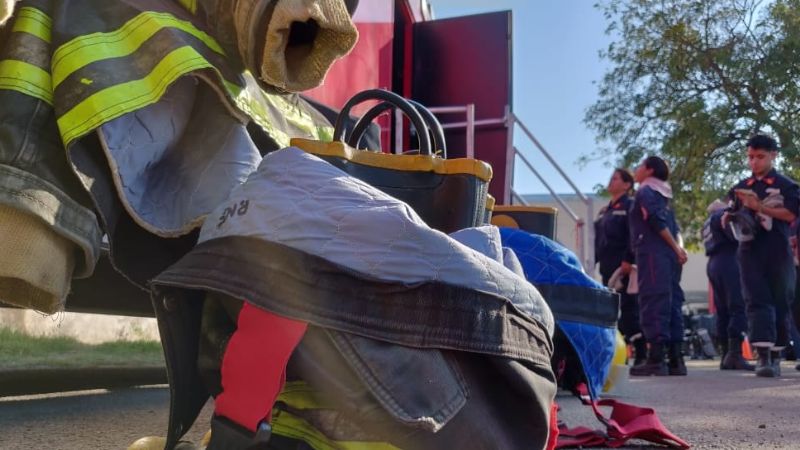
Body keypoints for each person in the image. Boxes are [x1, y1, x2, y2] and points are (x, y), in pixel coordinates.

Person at [725, 134, 799, 377]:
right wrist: (730, 215)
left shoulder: (787, 185)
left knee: (780, 301)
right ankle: (763, 357)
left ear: (773, 155)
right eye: (750, 157)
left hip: (777, 249)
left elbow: (790, 215)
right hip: (749, 250)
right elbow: (730, 209)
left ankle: (776, 355)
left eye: (760, 157)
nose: (754, 162)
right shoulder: (741, 185)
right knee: (755, 300)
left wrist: (761, 207)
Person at [628, 156, 689, 376]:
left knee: (653, 301)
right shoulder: (664, 194)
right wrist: (677, 249)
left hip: (653, 254)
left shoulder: (645, 191)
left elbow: (655, 221)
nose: (636, 170)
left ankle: (656, 359)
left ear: (649, 170)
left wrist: (675, 248)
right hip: (667, 256)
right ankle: (676, 359)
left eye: (639, 165)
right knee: (671, 302)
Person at [595, 168, 646, 365]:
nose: (610, 182)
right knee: (613, 312)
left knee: (629, 309)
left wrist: (628, 259)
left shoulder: (630, 205)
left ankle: (642, 354)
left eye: (615, 179)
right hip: (607, 268)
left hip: (623, 266)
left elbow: (633, 235)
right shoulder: (606, 210)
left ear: (627, 184)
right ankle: (620, 355)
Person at [703, 200, 753, 370]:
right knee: (738, 306)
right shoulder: (721, 216)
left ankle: (725, 353)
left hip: (713, 263)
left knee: (722, 309)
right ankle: (735, 353)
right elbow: (736, 236)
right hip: (729, 260)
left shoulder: (707, 223)